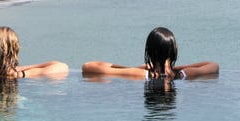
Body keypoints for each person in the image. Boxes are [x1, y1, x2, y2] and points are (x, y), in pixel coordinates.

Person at [81, 26, 219, 80]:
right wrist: (173, 68)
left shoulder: (140, 73)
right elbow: (213, 65)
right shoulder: (184, 74)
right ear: (174, 50)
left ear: (149, 50)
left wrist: (135, 67)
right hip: (172, 71)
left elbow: (88, 66)